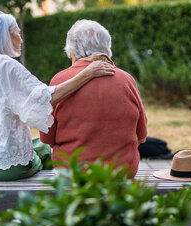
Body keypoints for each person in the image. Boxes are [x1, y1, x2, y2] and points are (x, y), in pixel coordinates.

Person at [0, 10, 115, 181]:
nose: (21, 39)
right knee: (47, 151)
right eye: (17, 33)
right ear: (5, 35)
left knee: (39, 145)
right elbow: (45, 98)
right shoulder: (5, 65)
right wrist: (88, 73)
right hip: (6, 168)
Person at [40, 20, 148, 177]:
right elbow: (141, 136)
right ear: (106, 49)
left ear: (72, 52)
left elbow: (47, 138)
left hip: (74, 173)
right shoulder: (127, 80)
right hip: (121, 173)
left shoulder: (60, 80)